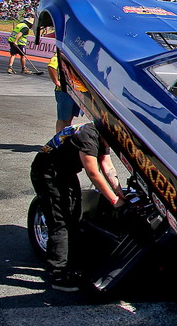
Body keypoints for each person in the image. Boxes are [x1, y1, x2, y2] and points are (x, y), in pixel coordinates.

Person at [30, 122, 126, 292]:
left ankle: (71, 263)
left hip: (64, 172)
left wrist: (119, 191)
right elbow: (93, 173)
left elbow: (106, 164)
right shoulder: (88, 136)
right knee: (60, 222)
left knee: (74, 215)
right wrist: (114, 200)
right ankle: (58, 275)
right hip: (47, 173)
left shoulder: (101, 132)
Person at [47, 54, 80, 133]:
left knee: (69, 118)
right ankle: (59, 138)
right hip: (65, 91)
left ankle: (64, 137)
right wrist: (56, 81)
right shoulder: (62, 53)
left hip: (77, 91)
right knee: (63, 119)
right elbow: (51, 66)